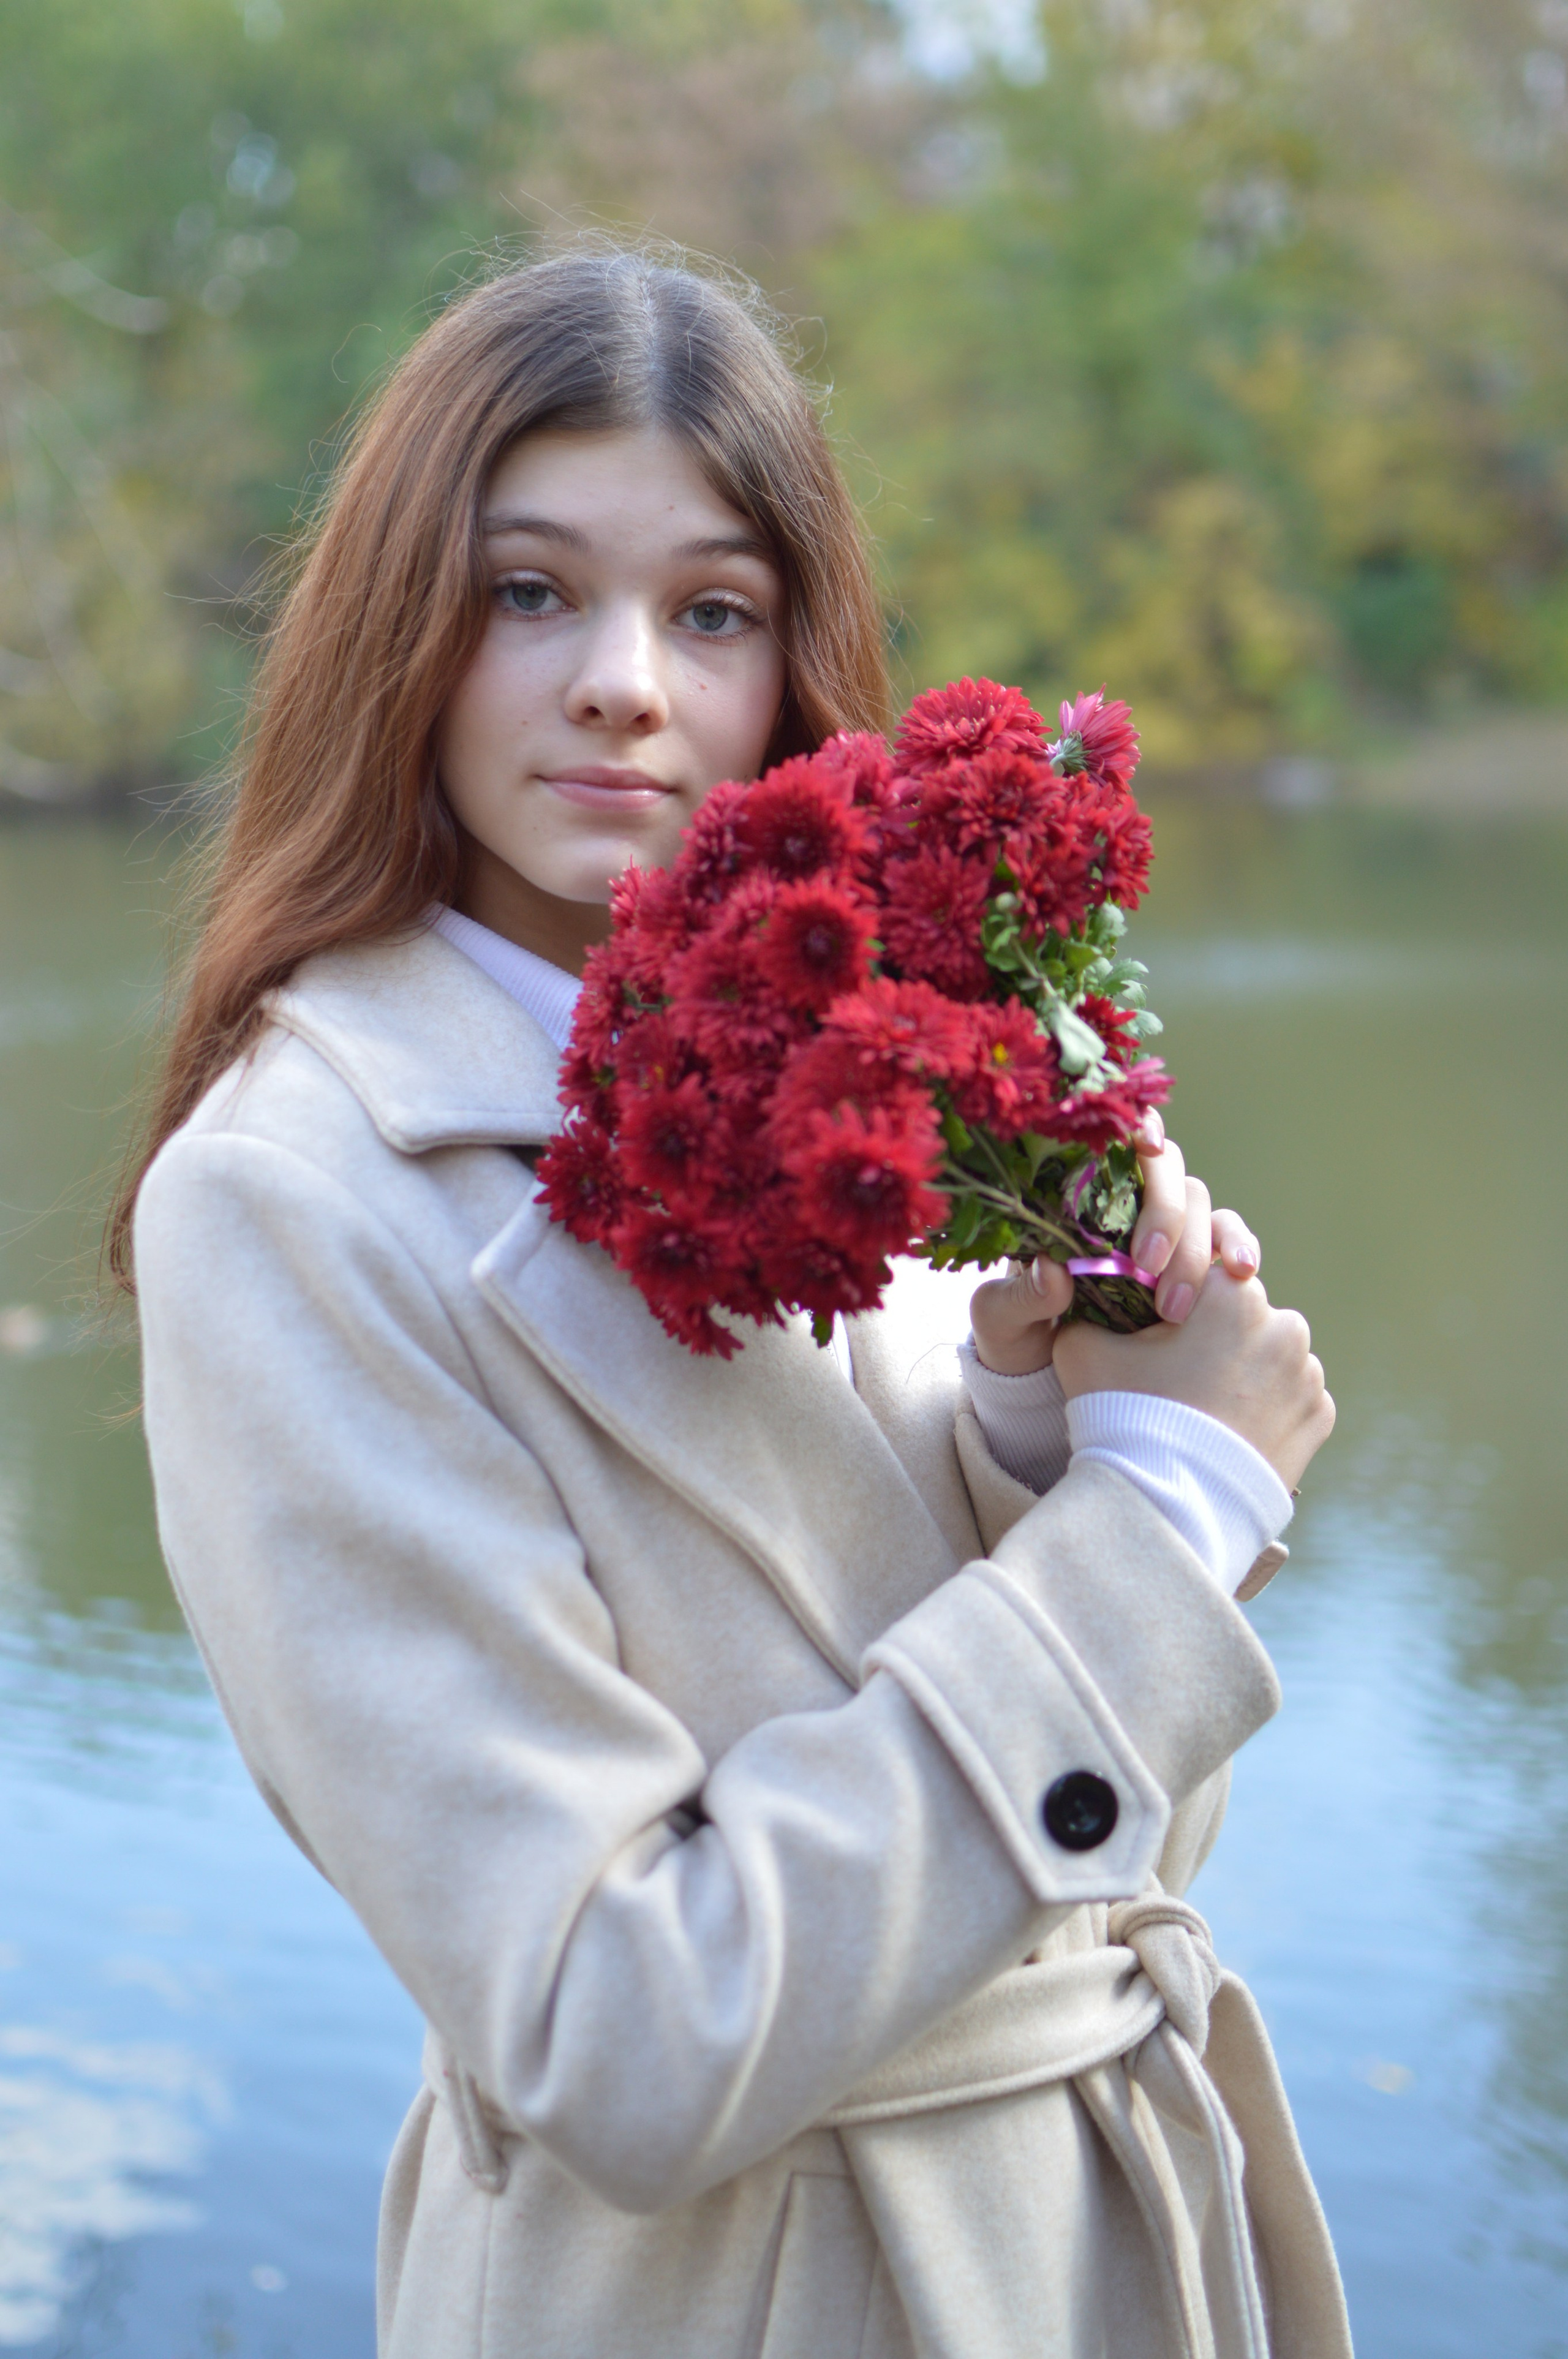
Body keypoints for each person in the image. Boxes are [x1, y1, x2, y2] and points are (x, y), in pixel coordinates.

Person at [113, 246, 1349, 2358]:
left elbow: (1123, 1842)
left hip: (1091, 2243)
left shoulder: (866, 1034)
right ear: (400, 626)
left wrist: (1048, 1429)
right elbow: (620, 2031)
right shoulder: (293, 1197)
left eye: (712, 610)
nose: (625, 683)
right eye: (529, 591)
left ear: (792, 660)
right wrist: (1162, 1523)